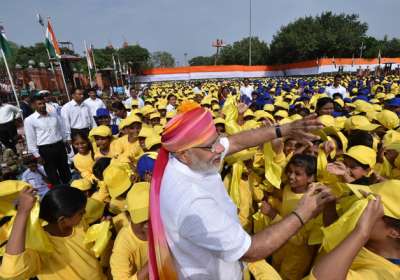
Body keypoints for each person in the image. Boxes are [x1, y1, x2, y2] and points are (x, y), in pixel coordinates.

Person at [149, 102, 334, 279]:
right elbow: (252, 250)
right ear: (184, 155)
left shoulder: (191, 156)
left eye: (217, 140)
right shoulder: (191, 202)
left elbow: (235, 142)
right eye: (211, 145)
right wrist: (303, 212)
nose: (220, 148)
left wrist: (283, 129)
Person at [0, 187, 106, 279]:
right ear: (62, 220)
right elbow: (12, 271)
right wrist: (22, 212)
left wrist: (101, 230)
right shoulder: (40, 246)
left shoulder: (78, 224)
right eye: (81, 213)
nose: (85, 214)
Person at [24, 95, 71, 185]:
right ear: (33, 106)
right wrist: (37, 156)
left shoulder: (53, 115)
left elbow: (61, 129)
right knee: (52, 174)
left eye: (43, 103)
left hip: (59, 146)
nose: (42, 105)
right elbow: (31, 139)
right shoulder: (30, 120)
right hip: (45, 150)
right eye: (39, 104)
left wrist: (66, 142)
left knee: (65, 170)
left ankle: (69, 190)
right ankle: (58, 193)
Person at [110, 182, 150, 280]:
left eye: (153, 217)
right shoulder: (123, 244)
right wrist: (151, 264)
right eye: (142, 219)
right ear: (128, 215)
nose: (148, 224)